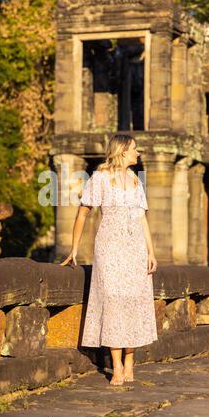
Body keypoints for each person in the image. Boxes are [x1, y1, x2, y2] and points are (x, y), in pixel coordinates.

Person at [60, 134, 158, 386]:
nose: (138, 153)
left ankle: (129, 362)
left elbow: (142, 219)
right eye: (135, 149)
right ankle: (115, 365)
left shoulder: (137, 181)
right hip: (110, 248)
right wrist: (73, 249)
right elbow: (82, 214)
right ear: (123, 151)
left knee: (133, 302)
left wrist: (151, 251)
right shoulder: (100, 179)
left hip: (135, 248)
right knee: (113, 301)